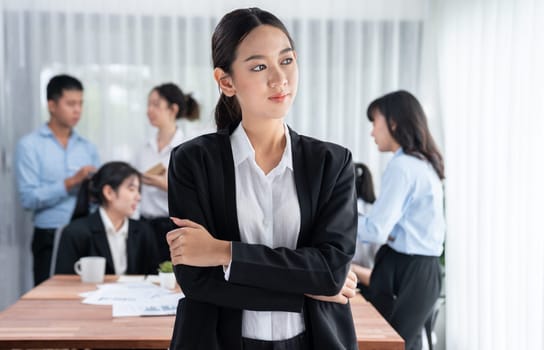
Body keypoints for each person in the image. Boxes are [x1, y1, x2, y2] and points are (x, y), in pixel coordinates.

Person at [165, 8, 358, 350]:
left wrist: (224, 253)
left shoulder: (332, 162)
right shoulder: (192, 161)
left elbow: (330, 271)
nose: (279, 79)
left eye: (286, 61)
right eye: (258, 67)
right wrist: (306, 287)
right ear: (226, 81)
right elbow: (196, 281)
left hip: (314, 341)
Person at [358, 90, 445, 350]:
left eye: (375, 123)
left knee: (393, 344)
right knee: (408, 342)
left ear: (393, 122)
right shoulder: (422, 163)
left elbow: (375, 230)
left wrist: (338, 223)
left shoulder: (403, 166)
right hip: (417, 267)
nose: (372, 132)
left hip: (411, 268)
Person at [15, 74, 100, 285]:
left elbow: (98, 197)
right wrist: (71, 182)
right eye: (71, 103)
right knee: (48, 301)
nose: (77, 110)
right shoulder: (30, 145)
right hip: (49, 236)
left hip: (85, 234)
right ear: (52, 105)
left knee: (88, 296)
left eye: (80, 103)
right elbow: (28, 198)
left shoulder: (88, 147)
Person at [55, 161, 160, 275]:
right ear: (109, 192)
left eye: (138, 190)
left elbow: (155, 277)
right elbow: (64, 283)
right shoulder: (75, 233)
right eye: (131, 189)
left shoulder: (144, 231)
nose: (138, 197)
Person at [134, 83, 200, 262]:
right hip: (143, 225)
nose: (149, 110)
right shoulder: (144, 147)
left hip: (173, 228)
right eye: (148, 104)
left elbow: (198, 194)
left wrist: (165, 185)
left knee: (171, 280)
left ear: (173, 109)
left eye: (156, 104)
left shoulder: (189, 147)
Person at [350, 162, 380, 300]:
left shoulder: (374, 218)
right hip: (349, 283)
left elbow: (379, 277)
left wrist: (351, 269)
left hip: (367, 287)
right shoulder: (375, 212)